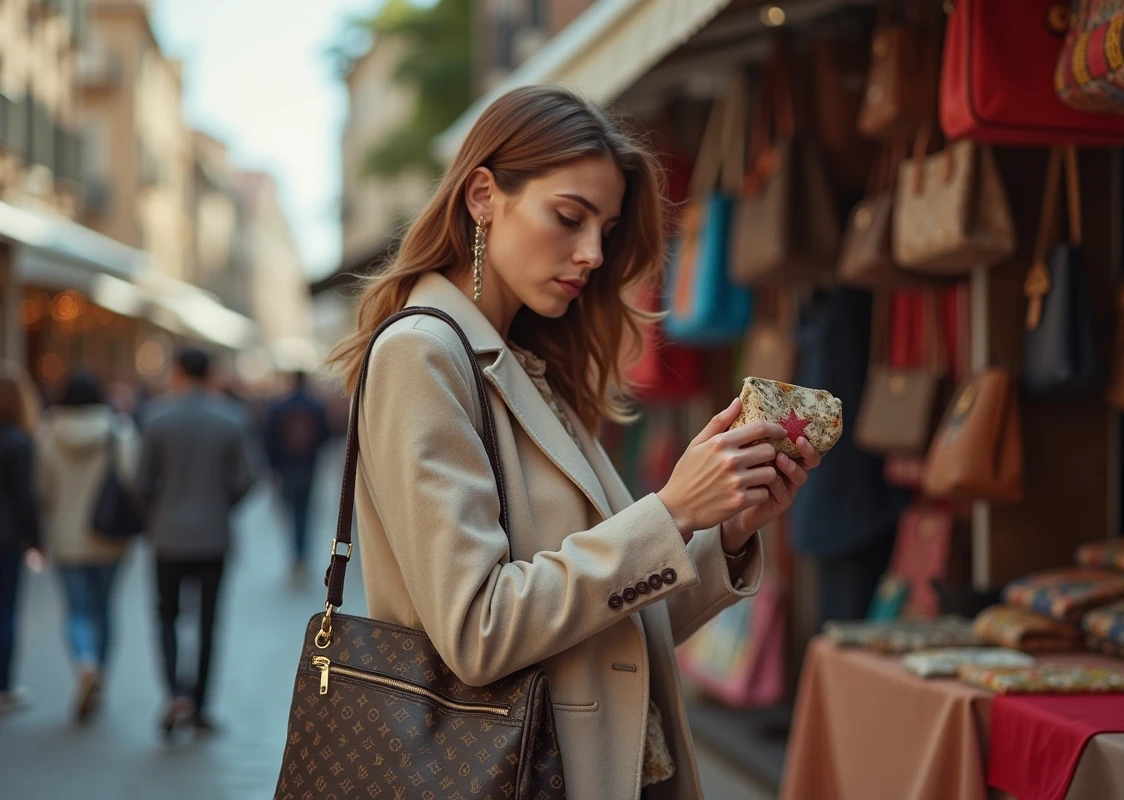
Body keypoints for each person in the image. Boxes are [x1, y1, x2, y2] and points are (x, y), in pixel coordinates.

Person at [325, 85, 822, 800]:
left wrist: (729, 531)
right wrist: (673, 512)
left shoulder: (528, 363)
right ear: (483, 197)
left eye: (606, 228)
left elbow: (614, 630)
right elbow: (479, 632)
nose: (591, 253)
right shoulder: (425, 353)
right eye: (568, 217)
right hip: (513, 773)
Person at [139, 348, 256, 737]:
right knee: (208, 622)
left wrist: (159, 509)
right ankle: (202, 706)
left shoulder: (156, 417)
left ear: (176, 371)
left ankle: (175, 693)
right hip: (212, 535)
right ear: (209, 374)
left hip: (168, 536)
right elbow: (248, 476)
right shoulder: (230, 417)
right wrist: (222, 504)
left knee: (166, 617)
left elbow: (141, 481)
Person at [36, 371, 139, 722]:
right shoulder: (118, 429)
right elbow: (132, 480)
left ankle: (85, 662)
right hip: (110, 538)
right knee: (104, 609)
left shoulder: (48, 431)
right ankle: (101, 675)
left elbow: (41, 488)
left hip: (66, 538)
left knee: (78, 611)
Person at [0, 365, 42, 714]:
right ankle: (3, 686)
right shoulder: (18, 441)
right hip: (6, 537)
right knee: (6, 611)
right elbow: (25, 497)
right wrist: (37, 539)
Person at [262, 371, 331, 581]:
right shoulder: (316, 407)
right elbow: (325, 435)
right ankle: (301, 557)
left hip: (286, 468)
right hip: (307, 467)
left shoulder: (279, 407)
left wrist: (273, 467)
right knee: (304, 513)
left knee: (290, 512)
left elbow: (269, 439)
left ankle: (295, 556)